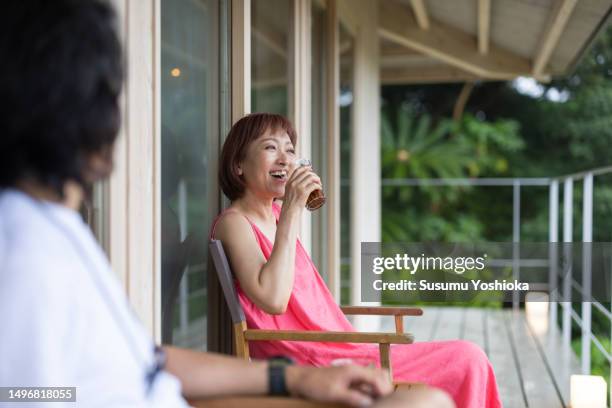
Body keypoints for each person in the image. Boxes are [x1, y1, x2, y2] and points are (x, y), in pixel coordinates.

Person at [0, 1, 455, 407]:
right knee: (431, 396)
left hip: (254, 372)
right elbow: (22, 393)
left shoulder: (55, 230)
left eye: (289, 148)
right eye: (113, 93)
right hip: (290, 356)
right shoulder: (26, 254)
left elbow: (144, 361)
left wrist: (289, 380)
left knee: (431, 397)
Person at [211, 113, 503, 408]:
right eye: (270, 148)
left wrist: (286, 213)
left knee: (467, 356)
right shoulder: (235, 222)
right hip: (305, 360)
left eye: (289, 149)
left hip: (333, 346)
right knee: (466, 358)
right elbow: (273, 301)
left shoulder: (274, 217)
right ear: (238, 165)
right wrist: (291, 212)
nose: (285, 159)